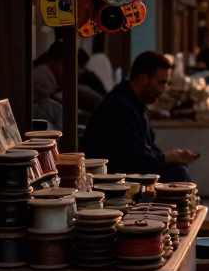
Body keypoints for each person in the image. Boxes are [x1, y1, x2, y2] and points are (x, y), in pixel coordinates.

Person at [82, 51, 199, 182]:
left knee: (178, 169)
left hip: (130, 170)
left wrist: (173, 157)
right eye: (161, 82)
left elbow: (146, 150)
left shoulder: (135, 103)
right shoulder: (119, 107)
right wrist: (167, 158)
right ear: (143, 78)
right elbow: (136, 160)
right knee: (178, 173)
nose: (164, 89)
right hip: (113, 179)